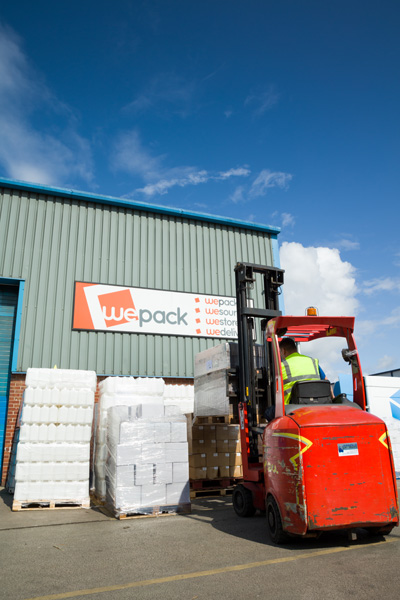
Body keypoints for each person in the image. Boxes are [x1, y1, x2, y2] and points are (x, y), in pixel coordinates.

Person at [265, 337, 327, 421]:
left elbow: (277, 392)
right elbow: (326, 381)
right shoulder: (312, 362)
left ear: (283, 351)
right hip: (317, 405)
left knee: (268, 412)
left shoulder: (282, 366)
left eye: (280, 352)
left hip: (291, 409)